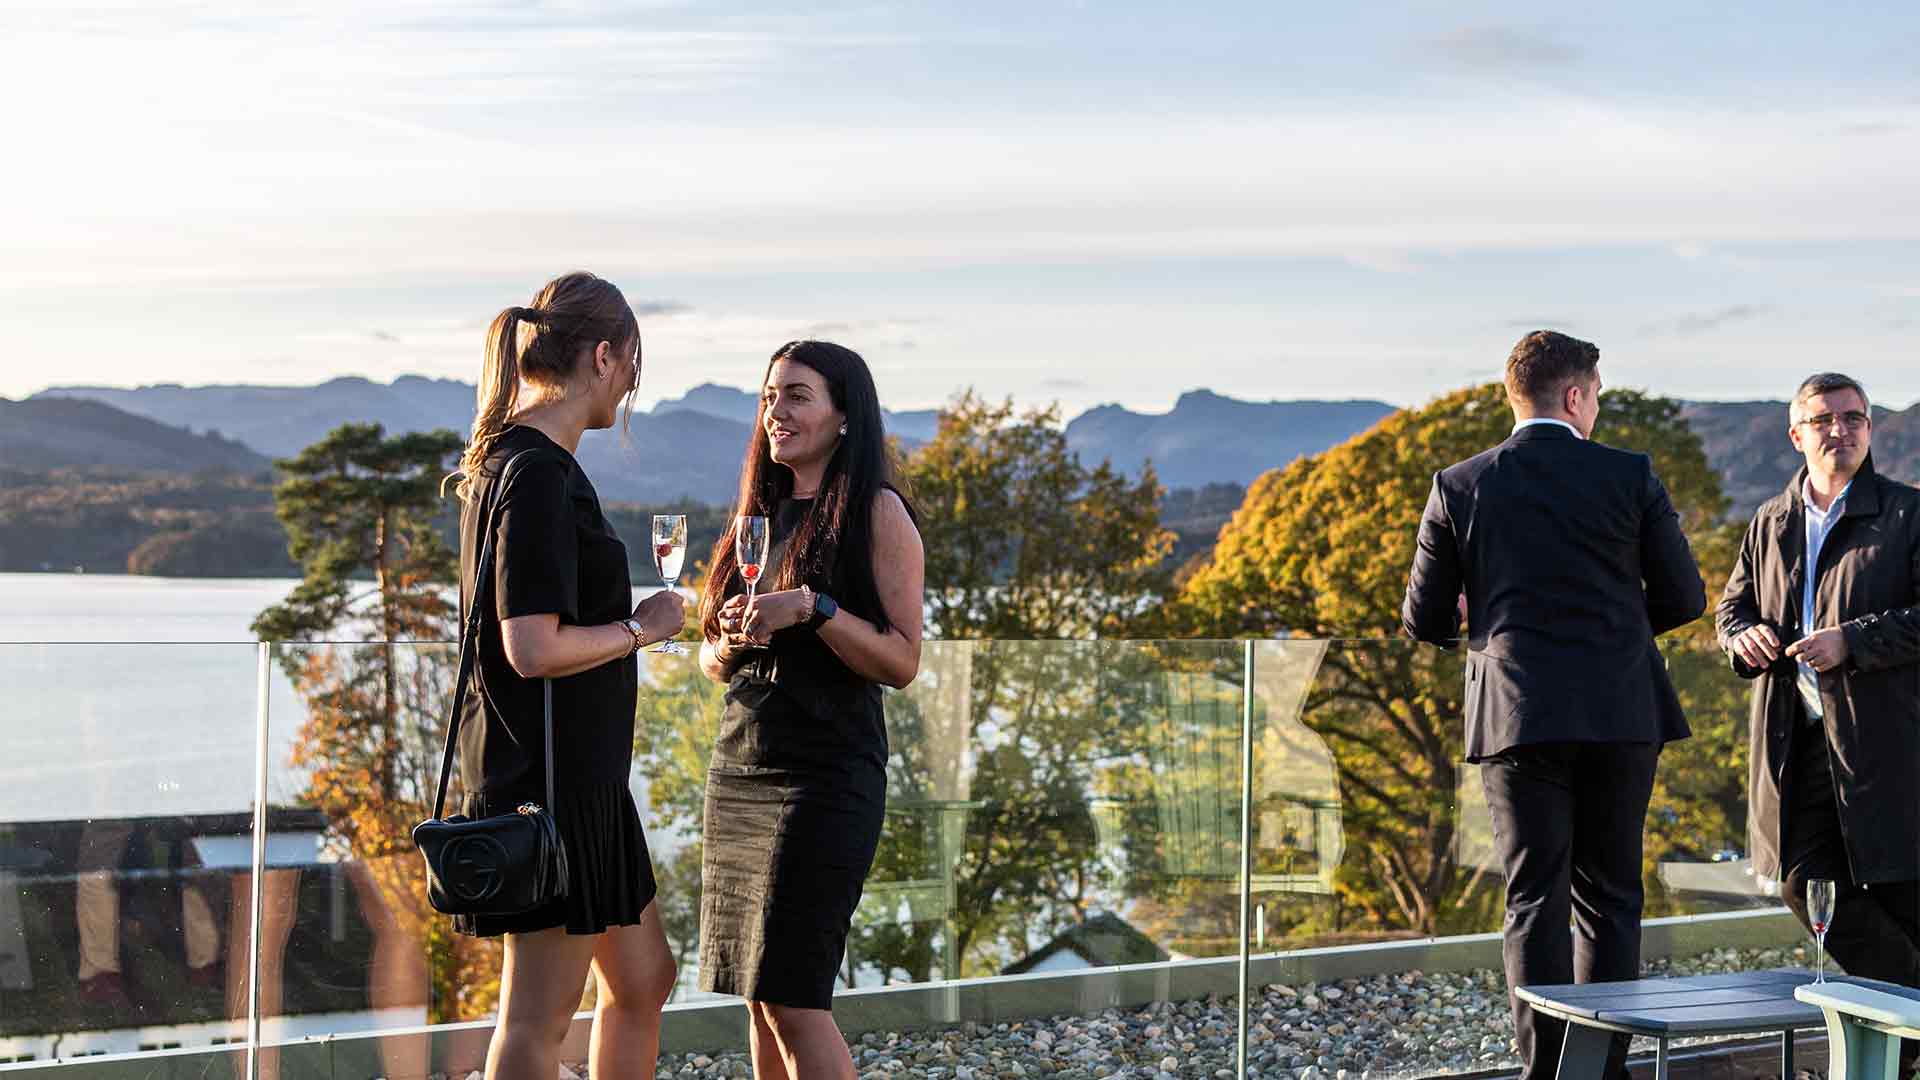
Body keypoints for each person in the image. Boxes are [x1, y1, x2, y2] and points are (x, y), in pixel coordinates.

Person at [1401, 330, 1706, 1080]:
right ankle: (1604, 1071)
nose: (1596, 406)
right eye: (1595, 394)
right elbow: (1685, 597)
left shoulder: (1460, 484)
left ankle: (1547, 1073)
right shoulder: (1630, 474)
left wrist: (1479, 616)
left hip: (1516, 714)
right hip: (1620, 712)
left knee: (1534, 898)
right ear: (1574, 395)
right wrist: (1617, 621)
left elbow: (1423, 619)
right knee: (1611, 900)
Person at [450, 271, 685, 1080]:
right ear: (604, 354)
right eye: (633, 369)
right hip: (547, 791)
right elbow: (531, 647)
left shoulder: (515, 461)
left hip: (583, 785)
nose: (630, 388)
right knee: (532, 1029)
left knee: (646, 979)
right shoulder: (537, 473)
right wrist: (639, 629)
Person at [697, 340, 924, 1080]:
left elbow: (902, 661)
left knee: (795, 998)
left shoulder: (876, 512)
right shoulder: (753, 518)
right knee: (757, 996)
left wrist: (814, 607)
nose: (776, 412)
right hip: (741, 768)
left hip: (826, 775)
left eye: (796, 395)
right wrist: (730, 636)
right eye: (768, 397)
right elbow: (707, 659)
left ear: (845, 416)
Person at [1715, 372, 1920, 1064]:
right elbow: (1733, 607)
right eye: (1825, 419)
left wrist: (1852, 642)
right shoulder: (1769, 521)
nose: (1842, 430)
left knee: (1898, 890)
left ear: (1870, 429)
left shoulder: (1907, 514)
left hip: (1886, 744)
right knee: (1804, 883)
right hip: (1793, 743)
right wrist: (1741, 637)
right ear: (1796, 435)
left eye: (1854, 417)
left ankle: (1896, 1048)